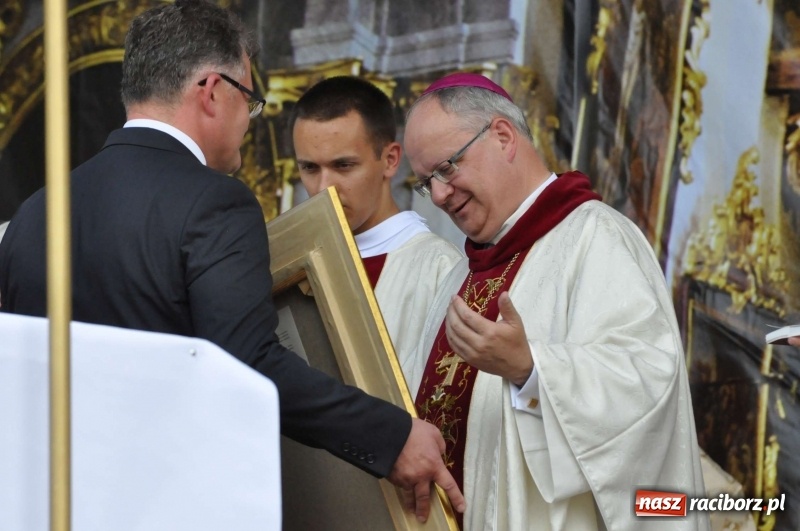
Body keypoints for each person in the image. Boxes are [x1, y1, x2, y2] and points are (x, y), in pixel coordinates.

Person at [0, 0, 464, 521]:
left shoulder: (33, 214)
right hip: (168, 509)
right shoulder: (213, 202)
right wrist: (392, 436)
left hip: (49, 505)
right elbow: (246, 362)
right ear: (212, 91)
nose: (248, 119)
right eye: (248, 98)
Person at [401, 72, 708, 530]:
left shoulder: (596, 237)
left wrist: (532, 369)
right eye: (427, 182)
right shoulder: (457, 277)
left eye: (446, 168)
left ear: (503, 137)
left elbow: (648, 383)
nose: (440, 195)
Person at [291, 76, 462, 362]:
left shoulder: (439, 270)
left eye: (343, 165)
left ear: (390, 159)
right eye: (309, 168)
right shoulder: (291, 265)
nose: (323, 188)